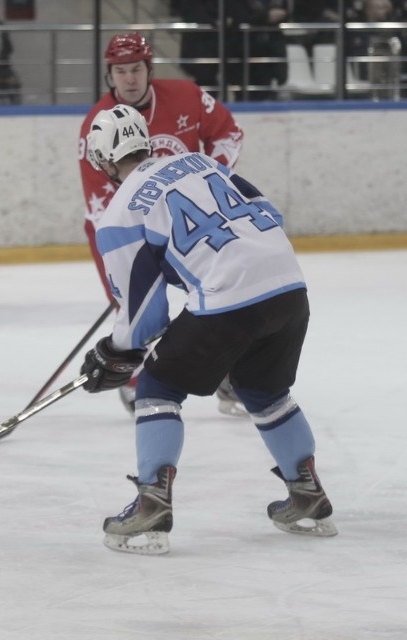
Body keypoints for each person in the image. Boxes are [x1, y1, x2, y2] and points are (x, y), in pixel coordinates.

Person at [78, 104, 337, 555]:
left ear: (101, 161)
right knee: (264, 390)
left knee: (157, 387)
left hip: (228, 300)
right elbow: (265, 211)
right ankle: (308, 493)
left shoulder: (117, 215)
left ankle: (151, 503)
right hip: (289, 285)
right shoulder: (200, 162)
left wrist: (114, 352)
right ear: (147, 139)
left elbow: (145, 318)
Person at [78, 32, 246, 416]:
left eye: (136, 69)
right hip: (126, 229)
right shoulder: (97, 125)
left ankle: (229, 372)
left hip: (194, 218)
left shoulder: (187, 95)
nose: (130, 79)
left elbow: (228, 133)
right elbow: (101, 205)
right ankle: (135, 371)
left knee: (219, 292)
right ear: (110, 75)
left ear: (148, 68)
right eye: (121, 71)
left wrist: (206, 186)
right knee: (138, 307)